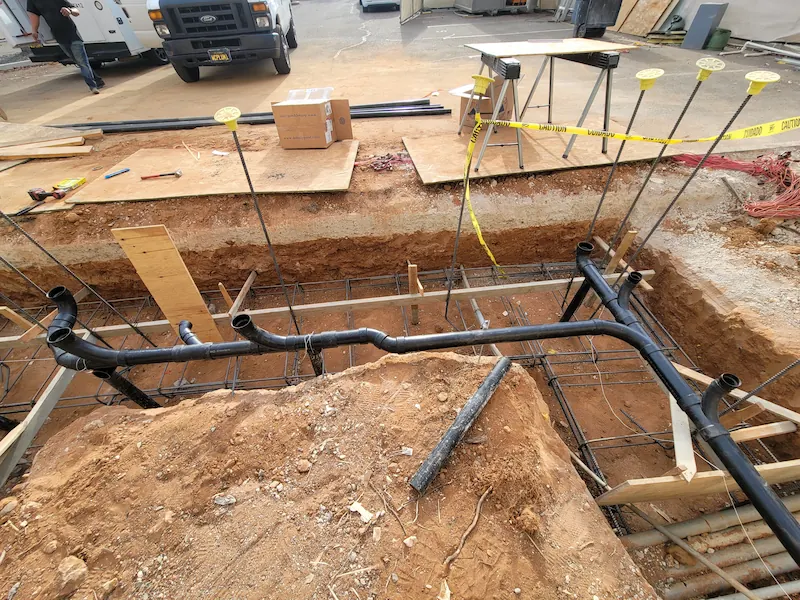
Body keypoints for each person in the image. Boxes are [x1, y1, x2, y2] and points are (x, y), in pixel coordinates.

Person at [26, 0, 105, 93]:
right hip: (59, 36)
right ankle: (98, 81)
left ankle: (93, 86)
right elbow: (34, 15)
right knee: (79, 62)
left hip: (73, 34)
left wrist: (69, 11)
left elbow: (76, 11)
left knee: (82, 62)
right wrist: (34, 30)